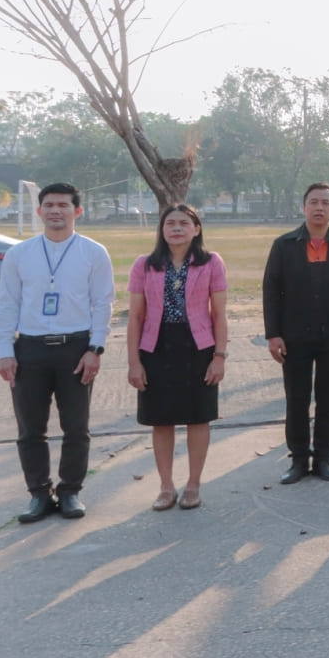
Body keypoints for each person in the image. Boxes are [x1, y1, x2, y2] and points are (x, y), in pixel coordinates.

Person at [0, 182, 115, 523]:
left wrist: (95, 349)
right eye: (49, 205)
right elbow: (7, 303)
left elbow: (102, 304)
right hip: (29, 349)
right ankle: (38, 493)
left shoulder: (93, 253)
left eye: (63, 205)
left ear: (77, 211)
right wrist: (5, 351)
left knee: (76, 427)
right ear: (39, 211)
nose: (55, 211)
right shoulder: (20, 254)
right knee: (30, 429)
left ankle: (70, 491)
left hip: (75, 348)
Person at [125, 203, 229, 511]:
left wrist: (219, 356)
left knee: (198, 417)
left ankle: (193, 485)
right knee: (161, 419)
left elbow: (219, 314)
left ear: (196, 229)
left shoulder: (211, 262)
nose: (177, 228)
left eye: (184, 222)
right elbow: (135, 317)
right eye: (170, 223)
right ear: (162, 229)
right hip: (156, 347)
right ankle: (166, 486)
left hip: (198, 346)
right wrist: (134, 362)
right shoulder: (144, 265)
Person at [264, 184, 329, 484]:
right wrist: (273, 334)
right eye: (313, 202)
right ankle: (298, 460)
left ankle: (323, 459)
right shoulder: (284, 245)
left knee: (328, 398)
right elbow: (271, 291)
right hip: (294, 337)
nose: (319, 208)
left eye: (325, 202)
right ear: (304, 207)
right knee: (297, 398)